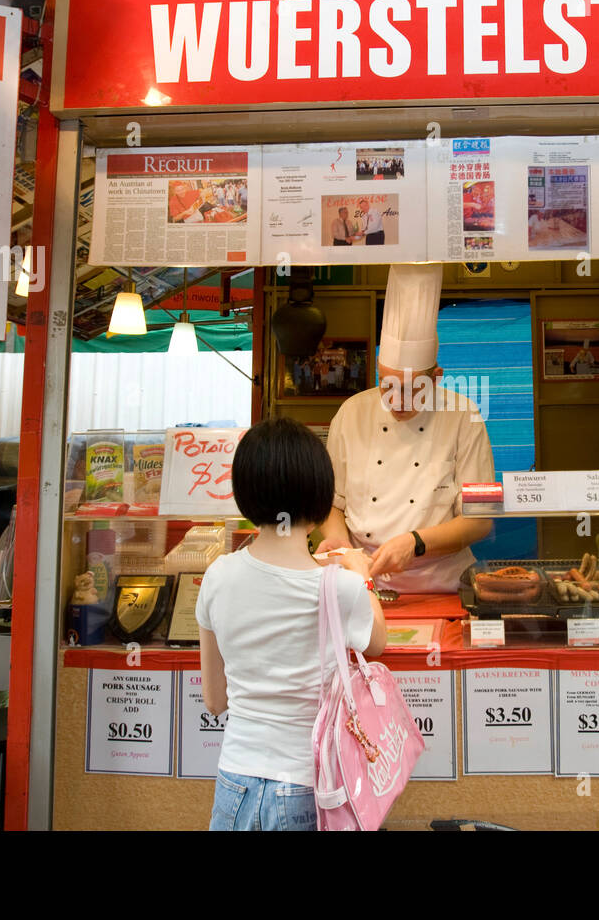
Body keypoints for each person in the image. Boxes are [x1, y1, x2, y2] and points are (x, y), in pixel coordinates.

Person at [196, 418, 387, 831]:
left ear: (245, 496)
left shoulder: (218, 576)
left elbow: (214, 700)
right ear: (319, 504)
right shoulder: (341, 587)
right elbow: (377, 642)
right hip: (309, 787)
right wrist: (363, 574)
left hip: (235, 783)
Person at [319, 264, 495, 592]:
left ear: (436, 377)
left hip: (442, 583)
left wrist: (415, 542)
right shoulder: (351, 414)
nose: (397, 401)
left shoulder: (465, 416)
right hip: (363, 581)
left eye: (413, 390)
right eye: (386, 386)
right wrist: (342, 548)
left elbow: (481, 519)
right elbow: (331, 504)